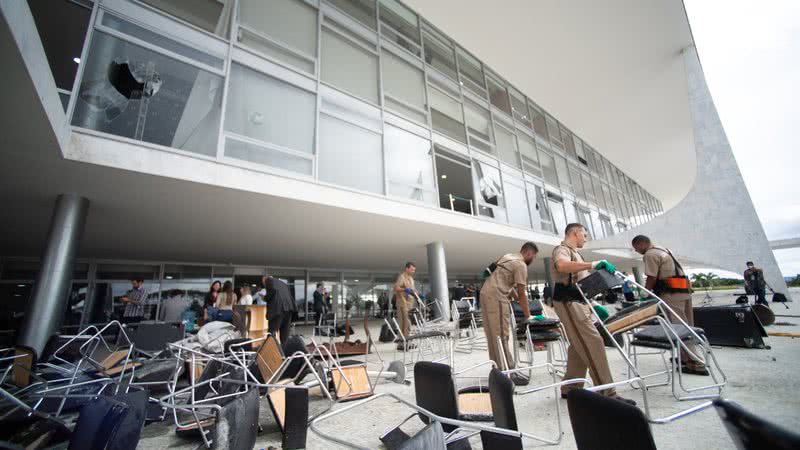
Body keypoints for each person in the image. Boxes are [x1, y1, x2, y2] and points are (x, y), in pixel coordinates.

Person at [552, 223, 636, 405]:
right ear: (574, 233)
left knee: (578, 345)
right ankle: (608, 394)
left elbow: (583, 283)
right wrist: (594, 264)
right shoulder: (562, 250)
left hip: (579, 302)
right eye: (584, 234)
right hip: (569, 302)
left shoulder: (576, 254)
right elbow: (561, 266)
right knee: (593, 342)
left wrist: (593, 304)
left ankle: (570, 388)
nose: (585, 238)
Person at [632, 235, 708, 376]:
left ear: (642, 243)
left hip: (670, 294)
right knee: (687, 326)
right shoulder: (664, 250)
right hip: (682, 290)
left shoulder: (650, 254)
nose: (636, 251)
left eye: (636, 248)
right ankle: (685, 358)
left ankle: (697, 363)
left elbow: (652, 277)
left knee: (679, 328)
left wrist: (645, 293)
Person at [480, 242, 538, 384]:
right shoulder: (521, 265)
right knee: (502, 335)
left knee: (492, 335)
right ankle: (509, 372)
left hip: (485, 293)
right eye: (534, 257)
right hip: (497, 297)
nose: (533, 260)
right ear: (529, 253)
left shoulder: (507, 257)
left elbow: (507, 283)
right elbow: (522, 292)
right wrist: (528, 314)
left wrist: (517, 299)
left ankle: (497, 370)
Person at [264, 276, 296, 344]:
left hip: (278, 309)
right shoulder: (283, 283)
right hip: (288, 308)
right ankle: (284, 351)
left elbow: (272, 291)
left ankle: (269, 349)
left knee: (272, 331)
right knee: (285, 333)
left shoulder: (268, 280)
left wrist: (264, 298)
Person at [393, 262, 420, 339]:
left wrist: (418, 294)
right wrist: (404, 289)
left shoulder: (411, 279)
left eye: (414, 270)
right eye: (412, 269)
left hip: (409, 303)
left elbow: (413, 289)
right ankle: (402, 341)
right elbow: (396, 288)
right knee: (404, 322)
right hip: (402, 303)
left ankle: (407, 339)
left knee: (408, 323)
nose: (413, 271)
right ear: (407, 268)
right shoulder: (401, 277)